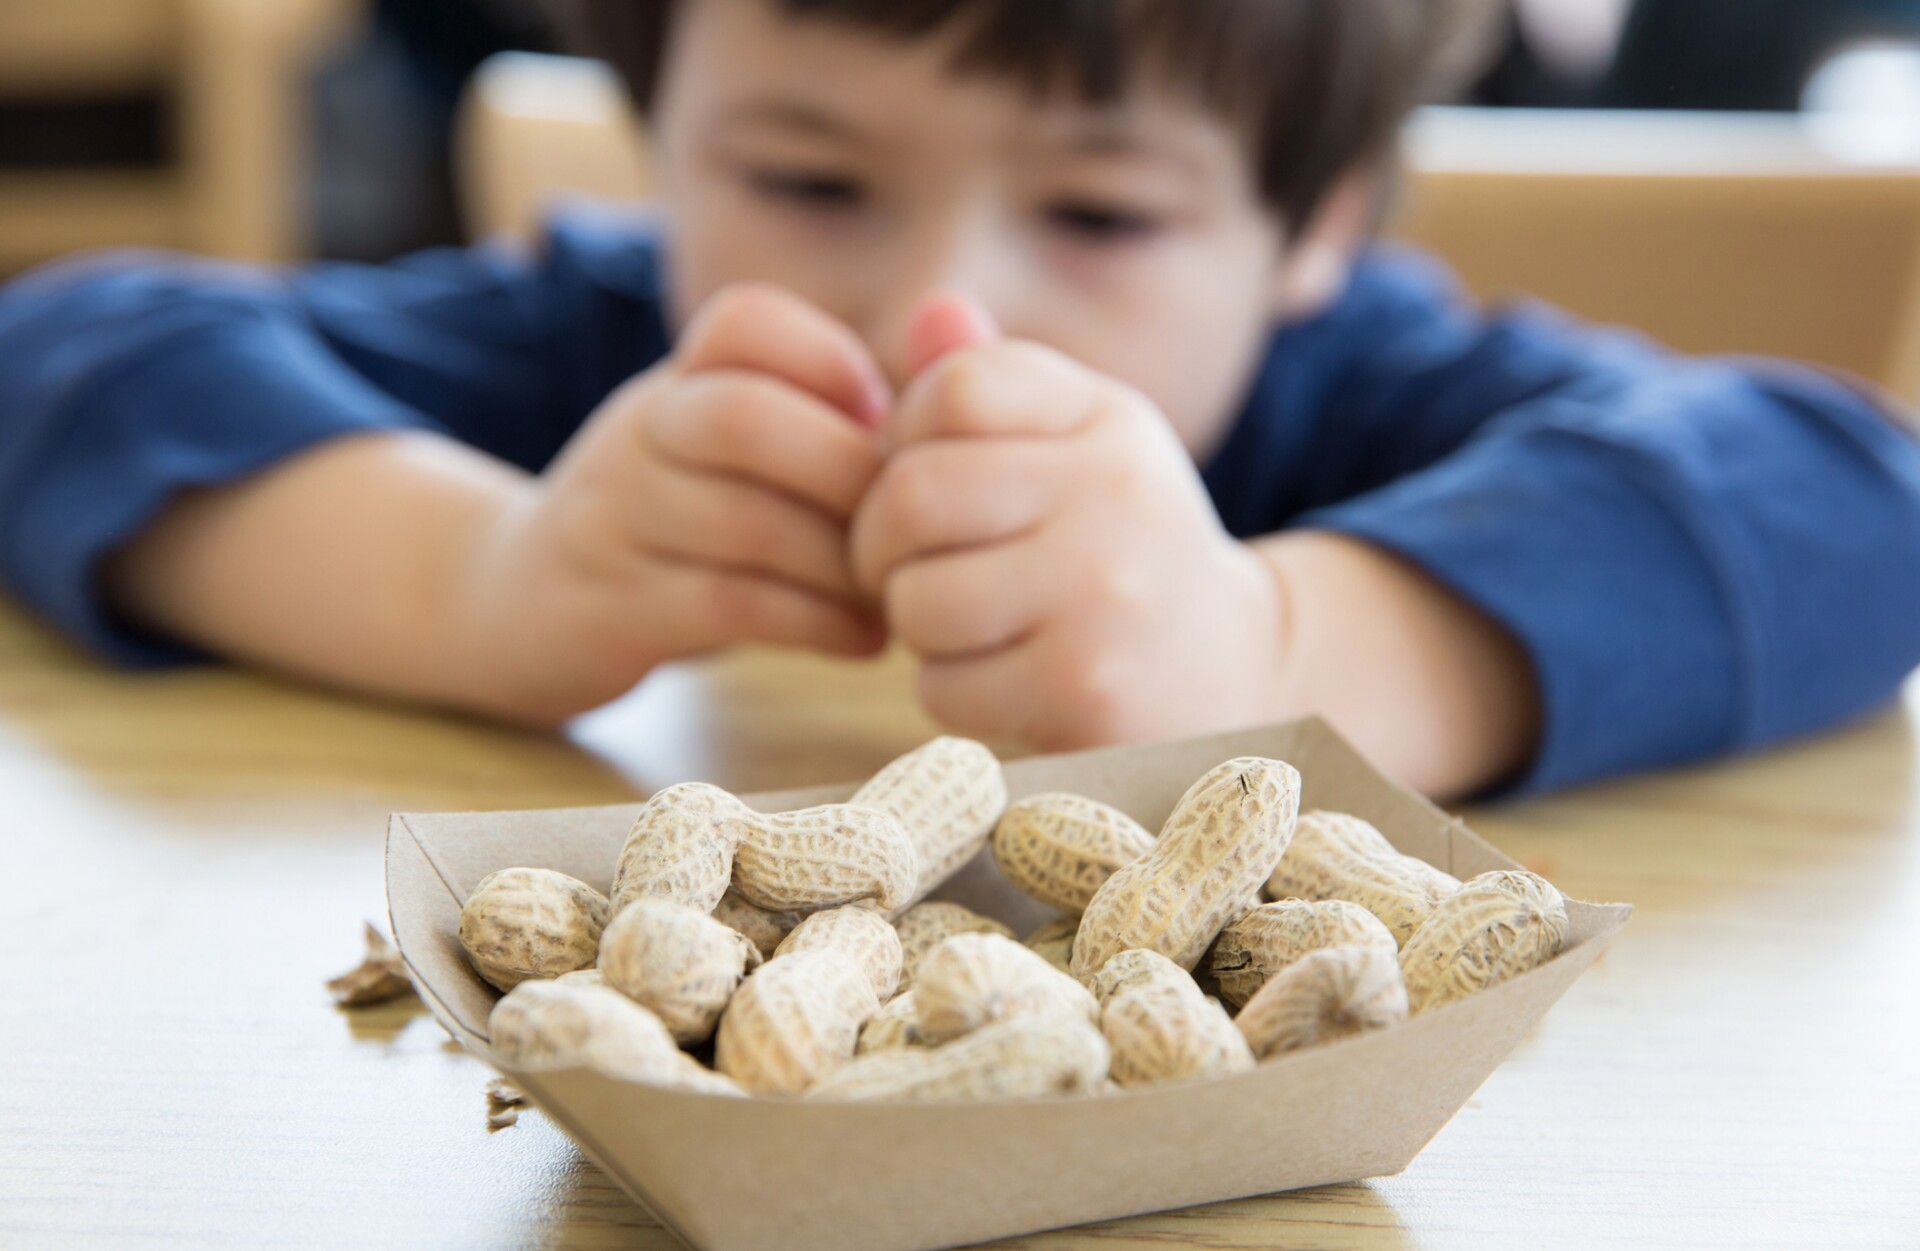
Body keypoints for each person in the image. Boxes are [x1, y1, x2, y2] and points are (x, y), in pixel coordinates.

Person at [1, 0, 1917, 801]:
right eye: (810, 182)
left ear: (1313, 223)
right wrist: (480, 580)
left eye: (1098, 209)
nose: (942, 307)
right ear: (652, 138)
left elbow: (1853, 497)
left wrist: (1277, 642)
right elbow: (72, 354)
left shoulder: (1367, 391)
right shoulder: (603, 355)